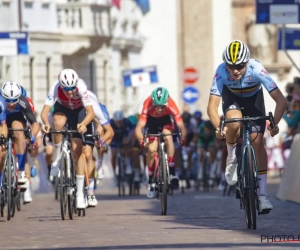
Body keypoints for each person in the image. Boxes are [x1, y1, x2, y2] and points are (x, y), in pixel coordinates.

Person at [207, 40, 287, 214]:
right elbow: (212, 107)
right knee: (233, 123)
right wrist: (219, 128)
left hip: (254, 101)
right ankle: (231, 159)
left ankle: (263, 195)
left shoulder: (256, 69)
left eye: (240, 66)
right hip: (232, 99)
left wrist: (275, 124)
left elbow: (281, 100)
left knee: (257, 143)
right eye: (231, 66)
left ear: (247, 63)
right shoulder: (221, 72)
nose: (235, 71)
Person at [41, 68, 95, 209]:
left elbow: (90, 112)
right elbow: (45, 111)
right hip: (63, 109)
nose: (70, 92)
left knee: (77, 150)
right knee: (57, 124)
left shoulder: (81, 87)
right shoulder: (55, 87)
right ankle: (56, 160)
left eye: (72, 89)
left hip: (79, 112)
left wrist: (83, 124)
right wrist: (46, 124)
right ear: (61, 85)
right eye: (66, 89)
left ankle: (79, 195)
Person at [135, 87, 187, 199]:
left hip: (166, 120)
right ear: (153, 103)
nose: (159, 109)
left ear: (166, 103)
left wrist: (182, 137)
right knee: (152, 149)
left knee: (168, 137)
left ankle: (172, 172)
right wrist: (142, 139)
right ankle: (150, 181)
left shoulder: (171, 104)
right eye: (156, 106)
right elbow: (139, 128)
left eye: (162, 106)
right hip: (152, 122)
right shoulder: (147, 104)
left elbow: (181, 126)